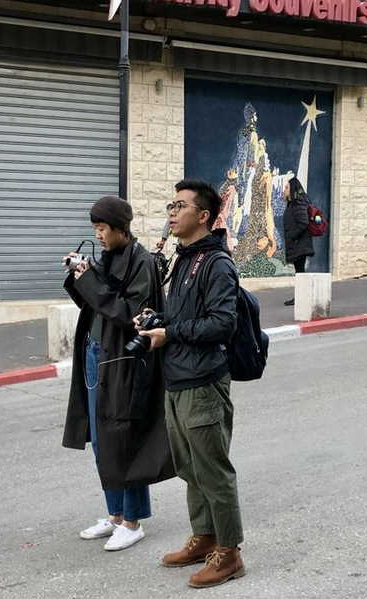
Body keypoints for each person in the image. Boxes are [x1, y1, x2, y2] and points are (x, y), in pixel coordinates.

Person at [137, 179, 245, 589]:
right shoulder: (182, 259)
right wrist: (155, 322)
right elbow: (180, 316)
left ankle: (229, 551)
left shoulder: (216, 263)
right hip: (177, 378)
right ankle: (204, 537)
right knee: (189, 467)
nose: (171, 211)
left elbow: (222, 323)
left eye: (179, 205)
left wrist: (171, 333)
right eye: (170, 204)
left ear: (202, 216)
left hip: (202, 381)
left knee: (213, 470)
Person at [62, 196, 173, 553]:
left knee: (125, 436)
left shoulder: (141, 262)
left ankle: (133, 520)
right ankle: (114, 514)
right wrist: (79, 276)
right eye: (95, 229)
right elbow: (97, 303)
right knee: (101, 437)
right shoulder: (110, 257)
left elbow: (131, 314)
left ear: (120, 228)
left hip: (123, 363)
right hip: (97, 354)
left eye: (102, 229)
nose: (98, 236)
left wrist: (91, 280)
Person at [282, 177, 315, 307]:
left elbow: (303, 223)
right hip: (297, 244)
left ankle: (301, 297)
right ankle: (301, 296)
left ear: (292, 189)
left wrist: (292, 237)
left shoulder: (298, 204)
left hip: (300, 244)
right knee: (299, 272)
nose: (284, 190)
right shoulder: (293, 203)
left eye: (286, 188)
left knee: (300, 272)